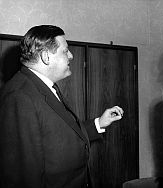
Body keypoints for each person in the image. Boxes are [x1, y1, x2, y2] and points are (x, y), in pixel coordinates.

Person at [0, 25, 124, 188]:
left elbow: (59, 136)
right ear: (46, 57)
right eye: (65, 51)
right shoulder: (19, 96)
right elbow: (23, 176)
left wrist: (99, 123)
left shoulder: (43, 86)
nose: (71, 56)